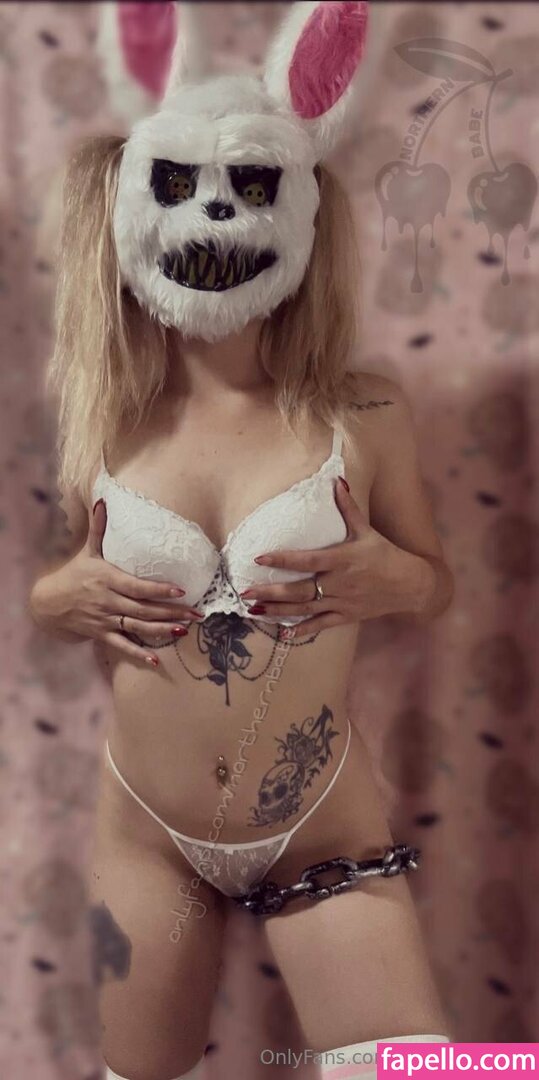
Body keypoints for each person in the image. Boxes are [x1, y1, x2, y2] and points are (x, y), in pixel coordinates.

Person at [29, 4, 455, 1078]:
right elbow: (67, 580)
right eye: (175, 186)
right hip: (146, 836)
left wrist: (393, 578)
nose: (213, 219)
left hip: (323, 833)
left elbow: (434, 586)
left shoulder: (363, 413)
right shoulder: (103, 418)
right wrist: (53, 597)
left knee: (426, 1072)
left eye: (252, 187)